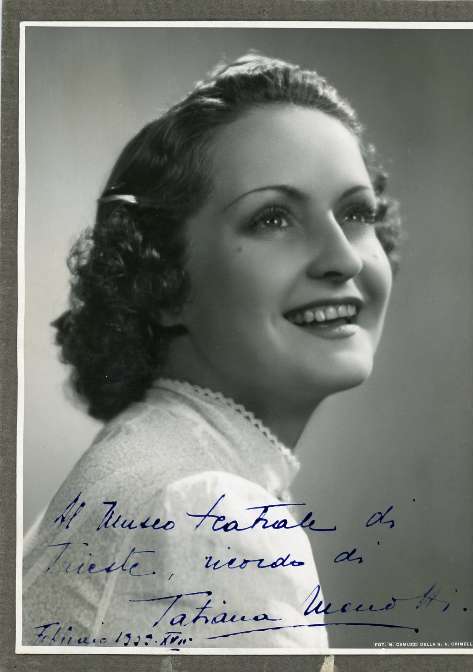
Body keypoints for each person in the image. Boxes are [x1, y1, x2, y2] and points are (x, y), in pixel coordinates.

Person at [23, 53, 401, 650]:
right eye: (272, 218)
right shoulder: (207, 510)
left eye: (356, 213)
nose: (345, 258)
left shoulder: (153, 465)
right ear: (163, 279)